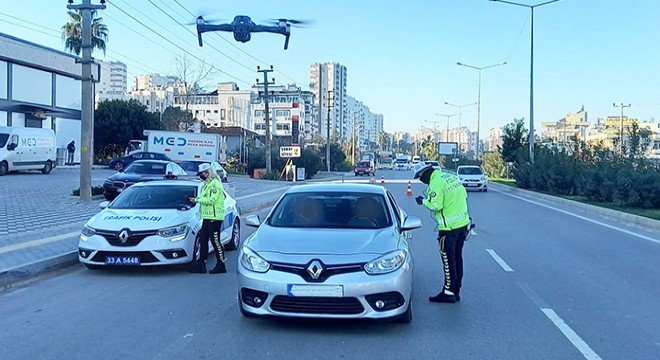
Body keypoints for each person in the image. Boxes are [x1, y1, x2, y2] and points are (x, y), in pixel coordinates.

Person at [413, 163, 471, 303]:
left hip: (448, 229)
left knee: (448, 260)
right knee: (458, 258)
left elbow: (436, 205)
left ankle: (448, 292)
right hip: (462, 225)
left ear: (425, 173)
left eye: (420, 177)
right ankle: (456, 290)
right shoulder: (450, 177)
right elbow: (464, 194)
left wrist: (423, 201)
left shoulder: (435, 183)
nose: (421, 180)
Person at [189, 163, 227, 274]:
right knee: (203, 240)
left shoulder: (215, 184)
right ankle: (201, 265)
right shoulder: (207, 183)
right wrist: (196, 199)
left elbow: (212, 200)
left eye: (203, 173)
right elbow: (204, 197)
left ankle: (221, 265)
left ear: (208, 172)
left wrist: (197, 200)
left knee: (216, 242)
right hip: (207, 217)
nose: (202, 176)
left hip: (215, 218)